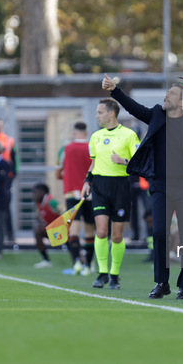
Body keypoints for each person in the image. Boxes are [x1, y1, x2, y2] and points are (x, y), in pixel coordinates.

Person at [102, 74, 183, 300]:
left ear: (182, 102)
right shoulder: (156, 114)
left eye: (171, 94)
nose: (166, 96)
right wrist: (115, 90)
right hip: (160, 186)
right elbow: (133, 108)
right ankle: (161, 283)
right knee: (159, 233)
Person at [81, 98, 141, 289]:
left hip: (121, 187)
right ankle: (102, 273)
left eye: (100, 112)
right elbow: (93, 162)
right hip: (99, 185)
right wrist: (87, 182)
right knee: (101, 231)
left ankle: (114, 275)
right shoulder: (96, 136)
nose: (97, 116)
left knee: (116, 236)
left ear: (111, 114)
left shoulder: (129, 135)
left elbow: (139, 163)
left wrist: (124, 161)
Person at [56, 121, 95, 275]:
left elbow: (58, 172)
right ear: (86, 133)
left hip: (71, 193)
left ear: (74, 133)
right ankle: (88, 266)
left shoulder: (65, 149)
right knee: (90, 230)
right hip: (90, 193)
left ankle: (77, 262)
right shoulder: (92, 146)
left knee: (73, 230)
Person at [32, 183, 64, 268]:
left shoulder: (51, 201)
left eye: (35, 193)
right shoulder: (38, 204)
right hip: (53, 232)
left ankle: (84, 262)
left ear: (42, 192)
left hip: (63, 231)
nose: (33, 195)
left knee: (72, 246)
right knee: (37, 230)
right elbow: (38, 216)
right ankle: (46, 260)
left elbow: (64, 212)